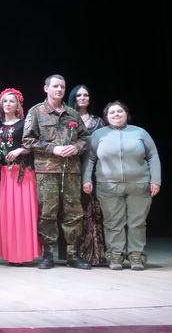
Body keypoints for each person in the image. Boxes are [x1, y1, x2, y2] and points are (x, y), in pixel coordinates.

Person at [22, 74, 91, 270]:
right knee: (47, 213)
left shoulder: (72, 113)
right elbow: (28, 141)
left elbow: (86, 138)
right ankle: (47, 255)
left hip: (71, 171)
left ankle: (73, 255)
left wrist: (76, 147)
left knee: (73, 213)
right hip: (47, 171)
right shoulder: (36, 111)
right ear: (46, 89)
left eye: (62, 86)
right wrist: (53, 149)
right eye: (55, 86)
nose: (59, 89)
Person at [83, 101, 161, 270]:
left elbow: (153, 156)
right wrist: (86, 179)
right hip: (108, 186)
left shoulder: (140, 132)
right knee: (113, 222)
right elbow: (90, 158)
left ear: (126, 114)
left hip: (139, 185)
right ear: (106, 117)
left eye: (120, 111)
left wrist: (156, 180)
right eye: (112, 112)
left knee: (137, 223)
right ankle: (115, 255)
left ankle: (136, 255)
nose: (116, 114)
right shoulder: (98, 134)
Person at [0, 88, 40, 266]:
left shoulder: (25, 123)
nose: (8, 104)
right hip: (4, 173)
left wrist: (20, 149)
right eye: (5, 101)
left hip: (23, 172)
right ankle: (11, 254)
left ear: (18, 105)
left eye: (11, 101)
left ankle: (24, 253)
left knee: (23, 213)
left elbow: (34, 144)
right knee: (8, 214)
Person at [67, 84, 106, 266]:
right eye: (79, 95)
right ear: (73, 98)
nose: (82, 98)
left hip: (94, 168)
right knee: (74, 210)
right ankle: (73, 253)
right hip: (71, 167)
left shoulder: (98, 121)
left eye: (86, 95)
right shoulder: (67, 118)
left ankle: (95, 253)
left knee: (94, 210)